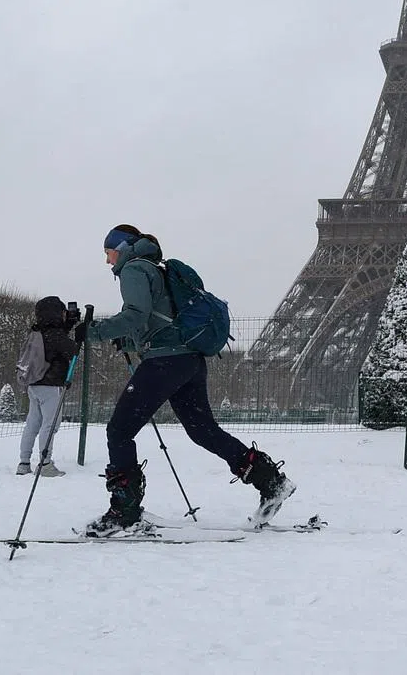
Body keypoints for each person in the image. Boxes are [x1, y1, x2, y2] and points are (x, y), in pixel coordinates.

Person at [77, 225, 296, 536]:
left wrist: (92, 331)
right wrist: (128, 342)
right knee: (203, 430)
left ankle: (124, 511)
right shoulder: (158, 268)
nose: (108, 262)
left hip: (165, 362)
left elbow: (136, 316)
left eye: (108, 253)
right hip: (189, 361)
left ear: (122, 247)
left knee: (119, 430)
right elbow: (161, 320)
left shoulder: (134, 269)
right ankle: (270, 481)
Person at [16, 296, 79, 477]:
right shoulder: (55, 335)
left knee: (32, 423)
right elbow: (72, 350)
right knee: (50, 424)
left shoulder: (37, 332)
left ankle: (24, 462)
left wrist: (67, 326)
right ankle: (45, 464)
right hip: (50, 385)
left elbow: (54, 343)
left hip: (34, 384)